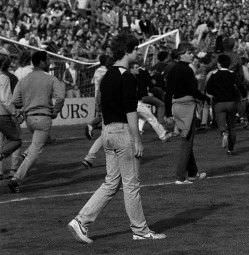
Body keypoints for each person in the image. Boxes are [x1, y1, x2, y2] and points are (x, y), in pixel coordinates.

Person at [67, 32, 166, 244]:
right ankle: (140, 230)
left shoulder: (106, 76)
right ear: (128, 50)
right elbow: (131, 111)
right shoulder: (127, 77)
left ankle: (81, 220)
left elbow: (104, 106)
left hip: (108, 132)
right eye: (137, 49)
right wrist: (137, 139)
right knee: (131, 185)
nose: (139, 52)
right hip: (122, 133)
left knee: (111, 183)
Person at [7, 51, 65, 193]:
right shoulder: (50, 78)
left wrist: (24, 106)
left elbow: (15, 101)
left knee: (41, 143)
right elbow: (61, 97)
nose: (50, 62)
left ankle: (26, 153)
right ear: (41, 62)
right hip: (43, 117)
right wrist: (56, 111)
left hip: (29, 119)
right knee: (36, 150)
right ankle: (16, 179)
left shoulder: (24, 79)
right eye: (48, 60)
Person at [166, 42, 209, 184]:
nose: (192, 55)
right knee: (187, 142)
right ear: (181, 54)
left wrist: (167, 112)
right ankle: (180, 177)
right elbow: (193, 90)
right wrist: (206, 98)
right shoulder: (186, 70)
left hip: (176, 106)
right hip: (186, 106)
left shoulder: (172, 69)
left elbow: (168, 92)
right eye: (189, 52)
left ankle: (193, 173)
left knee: (187, 140)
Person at [205, 54, 241, 155]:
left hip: (219, 103)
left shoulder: (214, 74)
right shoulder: (233, 74)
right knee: (232, 126)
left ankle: (223, 132)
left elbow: (208, 90)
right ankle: (230, 149)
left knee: (221, 123)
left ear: (219, 64)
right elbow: (239, 86)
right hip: (231, 102)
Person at [0, 53, 22, 167]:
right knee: (16, 140)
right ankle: (14, 168)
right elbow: (5, 99)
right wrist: (15, 112)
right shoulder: (6, 77)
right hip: (3, 115)